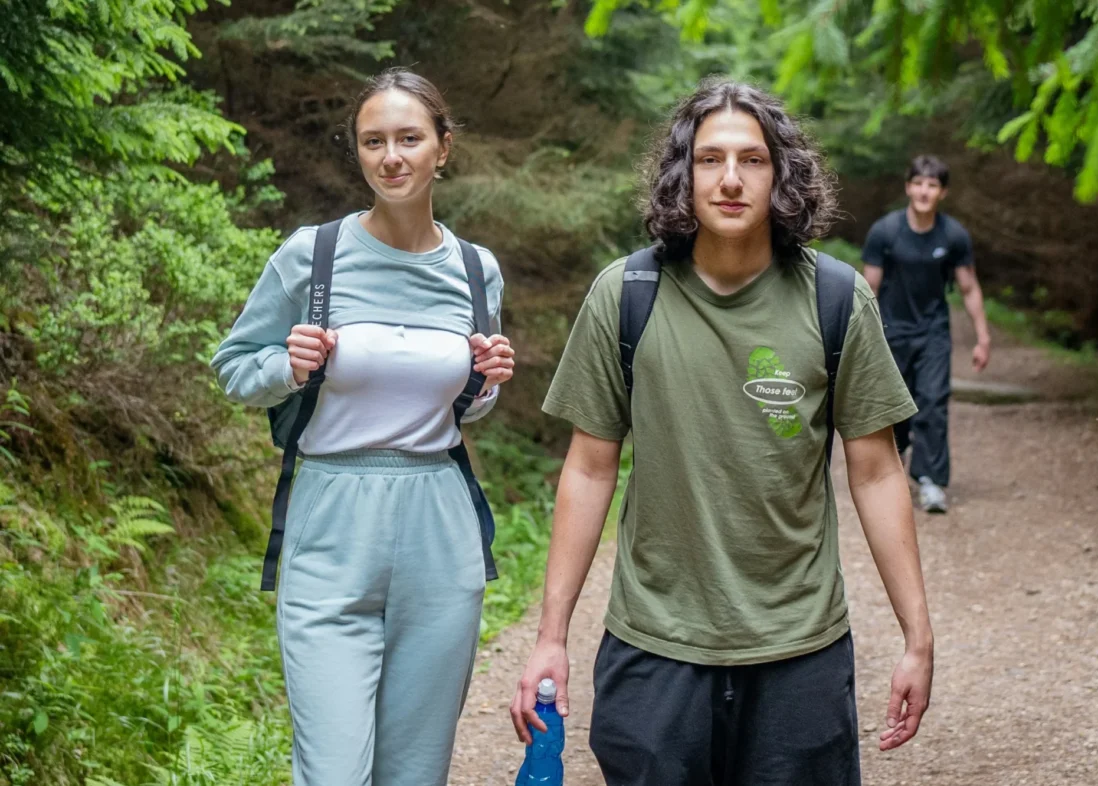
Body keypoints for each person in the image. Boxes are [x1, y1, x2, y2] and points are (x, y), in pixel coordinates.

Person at [510, 78, 933, 786]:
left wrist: (918, 636)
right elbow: (588, 468)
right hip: (655, 646)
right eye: (709, 160)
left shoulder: (836, 299)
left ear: (782, 174)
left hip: (800, 648)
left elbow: (878, 471)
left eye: (752, 160)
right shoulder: (625, 295)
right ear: (683, 172)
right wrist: (550, 637)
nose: (731, 179)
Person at [210, 68, 514, 786]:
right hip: (329, 520)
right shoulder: (311, 256)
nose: (392, 156)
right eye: (373, 141)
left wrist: (486, 378)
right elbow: (232, 369)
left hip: (440, 527)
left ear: (443, 148)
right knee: (335, 770)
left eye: (409, 138)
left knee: (414, 771)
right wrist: (286, 365)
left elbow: (469, 410)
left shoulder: (477, 270)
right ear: (357, 151)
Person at [861, 155, 991, 513]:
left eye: (932, 185)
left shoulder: (953, 235)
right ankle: (892, 470)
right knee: (895, 408)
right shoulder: (885, 232)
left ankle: (931, 481)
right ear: (908, 187)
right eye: (918, 183)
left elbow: (968, 288)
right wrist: (862, 338)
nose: (924, 191)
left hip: (933, 330)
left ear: (942, 192)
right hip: (891, 331)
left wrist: (982, 337)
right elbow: (868, 289)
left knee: (932, 402)